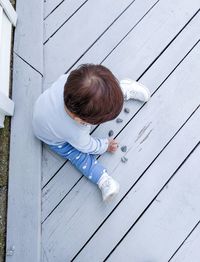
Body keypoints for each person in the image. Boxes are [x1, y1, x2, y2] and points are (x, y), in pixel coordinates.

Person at [32, 64, 150, 202]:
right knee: (77, 156)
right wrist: (104, 145)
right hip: (52, 138)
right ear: (81, 121)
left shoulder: (71, 82)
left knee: (102, 95)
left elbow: (95, 90)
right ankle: (102, 179)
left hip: (44, 109)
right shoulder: (75, 132)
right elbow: (87, 146)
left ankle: (122, 89)